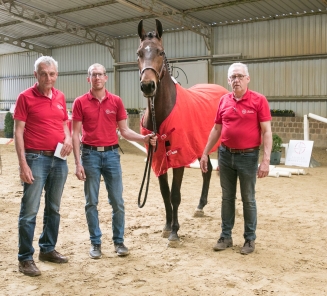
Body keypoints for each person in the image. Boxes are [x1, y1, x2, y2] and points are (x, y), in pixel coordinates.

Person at [72, 63, 156, 259]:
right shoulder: (80, 102)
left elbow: (124, 131)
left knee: (117, 201)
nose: (97, 78)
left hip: (111, 155)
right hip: (90, 155)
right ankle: (96, 243)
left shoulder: (116, 101)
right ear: (88, 79)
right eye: (93, 75)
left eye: (100, 74)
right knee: (91, 202)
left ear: (106, 77)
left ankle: (119, 242)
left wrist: (143, 138)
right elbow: (75, 134)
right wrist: (77, 163)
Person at [200, 62, 272, 255]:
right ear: (228, 80)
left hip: (248, 157)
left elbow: (266, 132)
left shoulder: (259, 101)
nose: (236, 80)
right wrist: (205, 152)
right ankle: (225, 236)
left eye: (240, 76)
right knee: (226, 197)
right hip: (225, 155)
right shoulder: (223, 101)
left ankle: (249, 239)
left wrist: (265, 160)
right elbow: (216, 129)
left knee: (248, 199)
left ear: (247, 78)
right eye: (233, 77)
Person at [14, 56, 73, 276]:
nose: (48, 78)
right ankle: (25, 258)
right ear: (35, 75)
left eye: (52, 74)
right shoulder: (25, 97)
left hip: (59, 160)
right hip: (35, 158)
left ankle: (47, 249)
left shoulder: (60, 96)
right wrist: (23, 164)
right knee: (30, 210)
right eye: (43, 73)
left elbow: (64, 124)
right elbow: (18, 131)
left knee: (54, 208)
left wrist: (67, 138)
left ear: (56, 75)